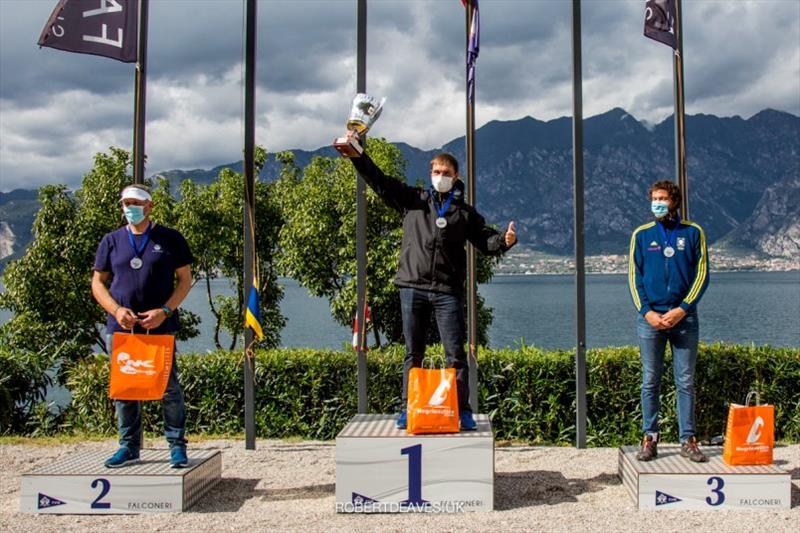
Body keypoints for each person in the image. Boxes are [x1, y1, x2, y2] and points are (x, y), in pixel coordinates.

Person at [342, 130, 517, 431]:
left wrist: (505, 240)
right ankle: (409, 408)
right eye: (436, 172)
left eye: (446, 173)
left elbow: (485, 241)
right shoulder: (414, 200)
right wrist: (358, 157)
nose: (440, 176)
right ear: (430, 174)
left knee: (455, 354)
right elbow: (381, 182)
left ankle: (460, 409)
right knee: (414, 352)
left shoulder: (464, 213)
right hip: (412, 286)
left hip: (448, 291)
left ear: (456, 175)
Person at [91, 184, 194, 468]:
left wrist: (164, 310)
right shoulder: (111, 241)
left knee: (168, 386)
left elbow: (185, 280)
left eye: (135, 203)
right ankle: (128, 446)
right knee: (125, 388)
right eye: (125, 203)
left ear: (149, 206)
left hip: (159, 324)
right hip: (123, 326)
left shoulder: (170, 238)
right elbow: (98, 283)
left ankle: (176, 445)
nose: (129, 208)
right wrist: (116, 309)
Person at [628, 180, 710, 462]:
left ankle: (688, 439)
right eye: (654, 198)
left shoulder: (693, 232)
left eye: (663, 198)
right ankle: (649, 438)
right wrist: (647, 313)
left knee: (685, 381)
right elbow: (634, 278)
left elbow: (702, 276)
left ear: (674, 201)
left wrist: (683, 309)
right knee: (650, 380)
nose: (658, 203)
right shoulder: (641, 235)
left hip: (684, 320)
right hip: (650, 321)